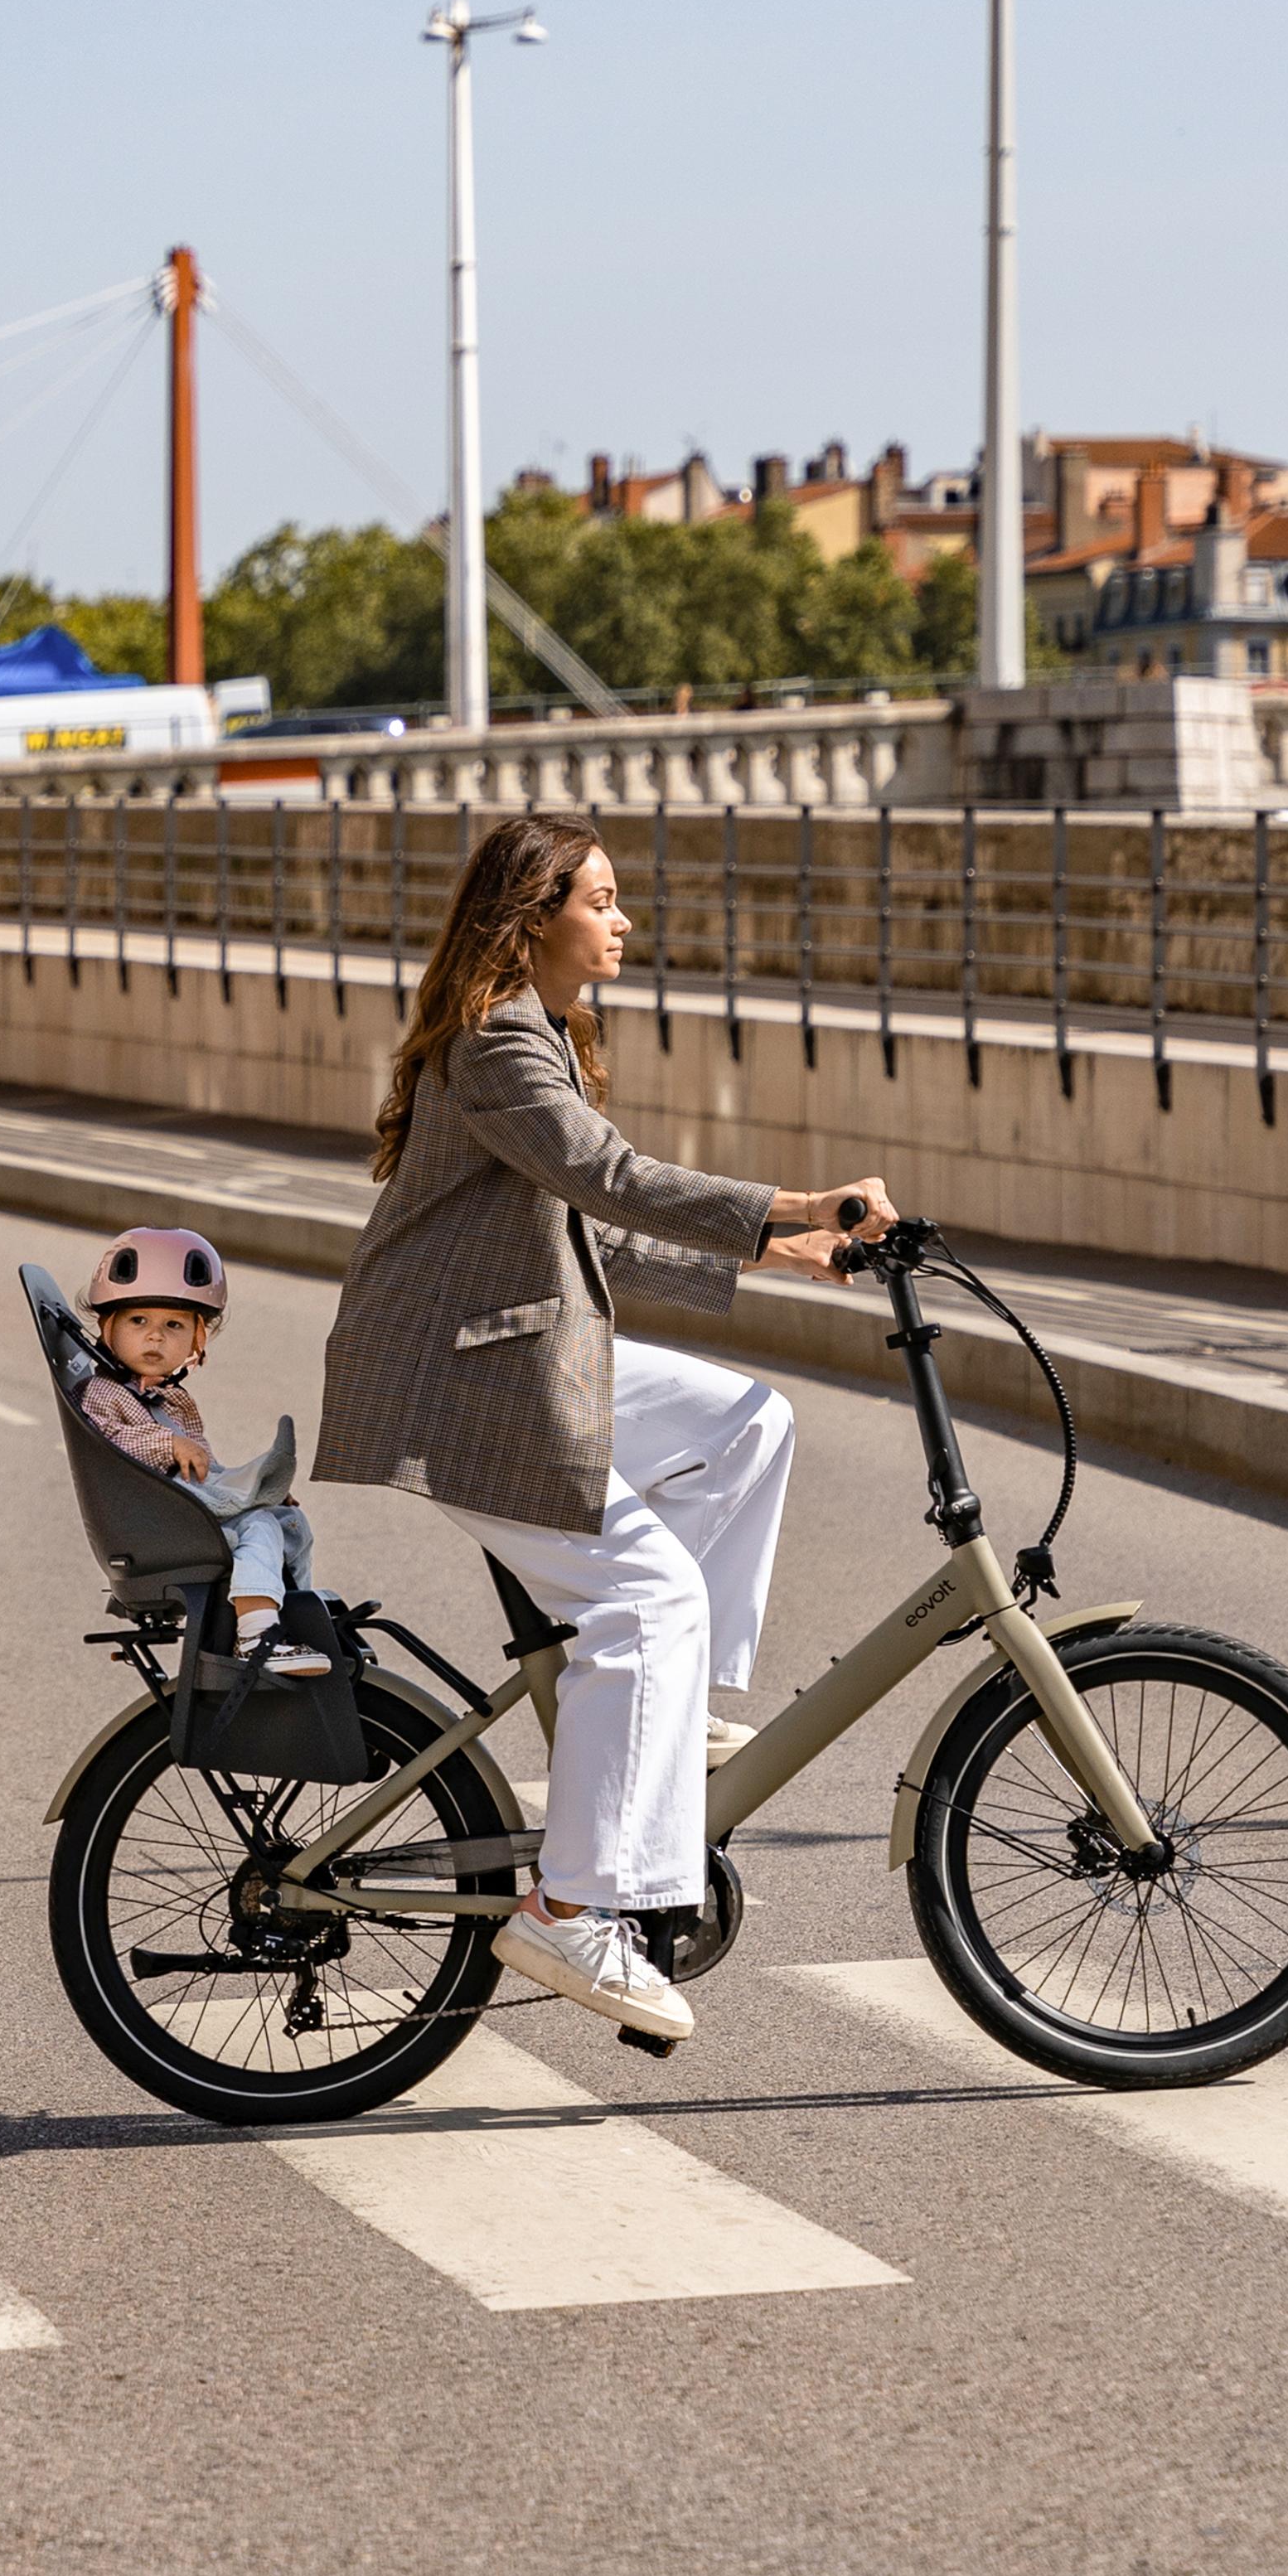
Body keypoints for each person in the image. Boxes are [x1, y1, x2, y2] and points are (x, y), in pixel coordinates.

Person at [316, 811, 895, 2046]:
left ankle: (671, 1723)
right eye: (605, 899)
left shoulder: (541, 1039)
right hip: (465, 1380)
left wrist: (781, 1252)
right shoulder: (497, 1045)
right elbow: (610, 1178)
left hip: (520, 1348)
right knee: (648, 1604)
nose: (625, 920)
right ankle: (568, 1906)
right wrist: (790, 1197)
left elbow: (590, 1225)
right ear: (533, 918)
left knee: (748, 1420)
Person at [75, 1227, 328, 1678]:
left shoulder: (173, 1402)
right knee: (256, 1528)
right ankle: (256, 1635)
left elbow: (202, 1470)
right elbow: (108, 1444)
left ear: (197, 1341)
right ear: (106, 1327)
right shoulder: (104, 1392)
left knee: (287, 1522)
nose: (155, 1338)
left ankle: (291, 1606)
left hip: (182, 1505)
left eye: (173, 1325)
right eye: (138, 1322)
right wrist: (167, 1443)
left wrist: (251, 1490)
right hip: (157, 1519)